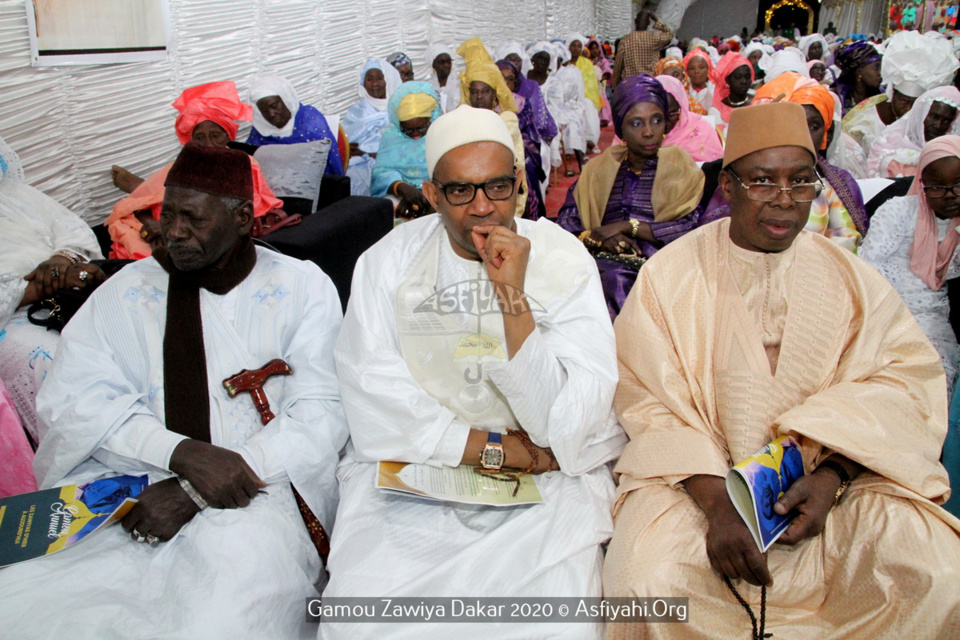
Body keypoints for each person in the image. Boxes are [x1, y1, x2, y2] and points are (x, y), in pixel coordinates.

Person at [604, 101, 960, 639]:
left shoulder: (849, 276)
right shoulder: (668, 275)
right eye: (762, 181)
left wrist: (832, 478)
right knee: (644, 581)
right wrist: (720, 507)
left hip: (838, 482)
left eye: (801, 181)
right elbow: (648, 401)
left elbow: (904, 382)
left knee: (936, 572)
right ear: (727, 185)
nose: (785, 200)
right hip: (697, 483)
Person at [0, 142, 348, 638]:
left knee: (224, 612)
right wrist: (179, 452)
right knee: (37, 602)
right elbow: (77, 400)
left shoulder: (302, 287)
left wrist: (195, 490)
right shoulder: (123, 293)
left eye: (194, 219)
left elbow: (322, 410)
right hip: (131, 478)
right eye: (169, 214)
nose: (173, 232)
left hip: (261, 485)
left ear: (244, 219)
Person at [322, 104, 625, 640]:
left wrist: (512, 295)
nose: (483, 208)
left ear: (520, 186)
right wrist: (501, 451)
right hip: (419, 473)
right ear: (433, 195)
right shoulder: (386, 263)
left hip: (546, 482)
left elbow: (570, 416)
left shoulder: (562, 258)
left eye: (498, 187)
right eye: (461, 191)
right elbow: (375, 394)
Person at [557, 75, 703, 319]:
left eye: (656, 121)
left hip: (663, 266)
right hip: (598, 263)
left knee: (615, 281)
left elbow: (691, 226)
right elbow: (568, 220)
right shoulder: (600, 170)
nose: (648, 132)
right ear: (621, 129)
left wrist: (627, 227)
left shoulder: (681, 168)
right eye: (636, 124)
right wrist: (597, 239)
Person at [0, 134, 103, 444]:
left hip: (70, 285)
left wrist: (62, 260)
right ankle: (89, 459)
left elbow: (74, 230)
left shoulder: (19, 194)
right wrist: (35, 289)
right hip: (12, 318)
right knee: (56, 360)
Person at [106, 81, 284, 260]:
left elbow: (245, 215)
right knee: (131, 243)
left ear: (228, 135)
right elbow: (141, 205)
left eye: (215, 136)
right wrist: (153, 226)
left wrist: (168, 229)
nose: (208, 144)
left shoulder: (244, 164)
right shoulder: (182, 165)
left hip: (206, 237)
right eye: (199, 137)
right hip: (162, 231)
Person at [703, 71, 865, 250]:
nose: (785, 200)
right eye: (763, 181)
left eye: (813, 126)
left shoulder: (837, 187)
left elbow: (844, 251)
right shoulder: (738, 182)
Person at [861, 136, 960, 391]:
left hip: (935, 318)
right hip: (884, 309)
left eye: (958, 185)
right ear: (922, 184)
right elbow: (869, 269)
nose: (950, 196)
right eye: (937, 187)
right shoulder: (899, 211)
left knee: (932, 376)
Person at [843, 31, 959, 163]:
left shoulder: (929, 123)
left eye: (916, 103)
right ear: (893, 93)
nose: (909, 108)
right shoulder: (862, 123)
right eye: (904, 101)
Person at [459, 37, 528, 218]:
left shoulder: (507, 121)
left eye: (485, 91)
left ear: (495, 97)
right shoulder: (460, 121)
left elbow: (514, 163)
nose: (479, 97)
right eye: (474, 92)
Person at [246, 74, 345, 176]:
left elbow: (331, 158)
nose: (271, 114)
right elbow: (251, 164)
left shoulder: (310, 119)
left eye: (274, 105)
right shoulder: (261, 129)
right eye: (264, 110)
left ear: (286, 99)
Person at [369, 81, 441, 219]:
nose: (415, 134)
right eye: (407, 129)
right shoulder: (391, 135)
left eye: (421, 128)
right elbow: (380, 173)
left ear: (431, 119)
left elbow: (451, 173)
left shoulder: (441, 133)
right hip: (400, 195)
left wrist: (425, 193)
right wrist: (402, 188)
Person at [497, 58, 557, 219]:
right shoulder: (488, 102)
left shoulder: (521, 103)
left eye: (510, 79)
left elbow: (530, 131)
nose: (505, 83)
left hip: (523, 151)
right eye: (501, 78)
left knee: (527, 169)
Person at [868, 86, 960, 178]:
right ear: (921, 113)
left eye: (946, 121)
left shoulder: (952, 149)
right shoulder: (888, 143)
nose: (938, 125)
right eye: (934, 117)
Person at [342, 59, 403, 197]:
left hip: (393, 163)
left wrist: (370, 155)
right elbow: (348, 145)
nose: (375, 84)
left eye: (379, 78)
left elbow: (404, 147)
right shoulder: (355, 112)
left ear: (387, 80)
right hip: (360, 166)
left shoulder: (398, 109)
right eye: (370, 79)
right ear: (363, 83)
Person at [656, 74, 723, 162]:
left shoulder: (701, 129)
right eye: (657, 116)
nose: (665, 121)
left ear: (681, 108)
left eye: (671, 114)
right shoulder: (643, 133)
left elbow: (714, 167)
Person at [613, 9, 673, 86]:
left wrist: (615, 86)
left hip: (630, 84)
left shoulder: (625, 40)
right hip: (649, 83)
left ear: (635, 21)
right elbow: (669, 34)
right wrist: (655, 19)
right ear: (648, 23)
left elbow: (618, 65)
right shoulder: (654, 38)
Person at [833, 41, 882, 115]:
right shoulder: (836, 97)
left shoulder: (880, 99)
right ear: (859, 71)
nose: (880, 73)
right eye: (875, 67)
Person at [708, 51, 755, 130]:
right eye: (738, 77)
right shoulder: (717, 110)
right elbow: (720, 138)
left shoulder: (758, 102)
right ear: (728, 80)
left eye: (747, 77)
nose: (744, 81)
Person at [426, 44, 461, 113]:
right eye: (442, 62)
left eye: (449, 61)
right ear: (433, 64)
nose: (446, 65)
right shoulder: (428, 87)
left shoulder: (459, 84)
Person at [684, 48, 715, 115]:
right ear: (687, 72)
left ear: (708, 69)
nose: (697, 71)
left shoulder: (714, 93)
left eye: (701, 67)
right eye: (692, 68)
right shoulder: (682, 93)